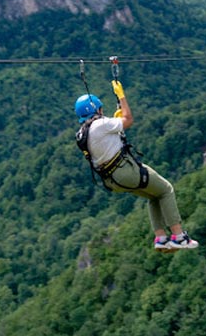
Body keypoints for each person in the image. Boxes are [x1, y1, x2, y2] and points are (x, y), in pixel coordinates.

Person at [74, 80, 198, 252]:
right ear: (95, 109)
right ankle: (179, 237)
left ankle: (161, 238)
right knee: (166, 190)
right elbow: (128, 119)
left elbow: (109, 141)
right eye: (100, 108)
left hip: (111, 180)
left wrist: (116, 124)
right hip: (126, 171)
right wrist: (121, 96)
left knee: (154, 196)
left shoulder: (83, 133)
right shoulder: (100, 125)